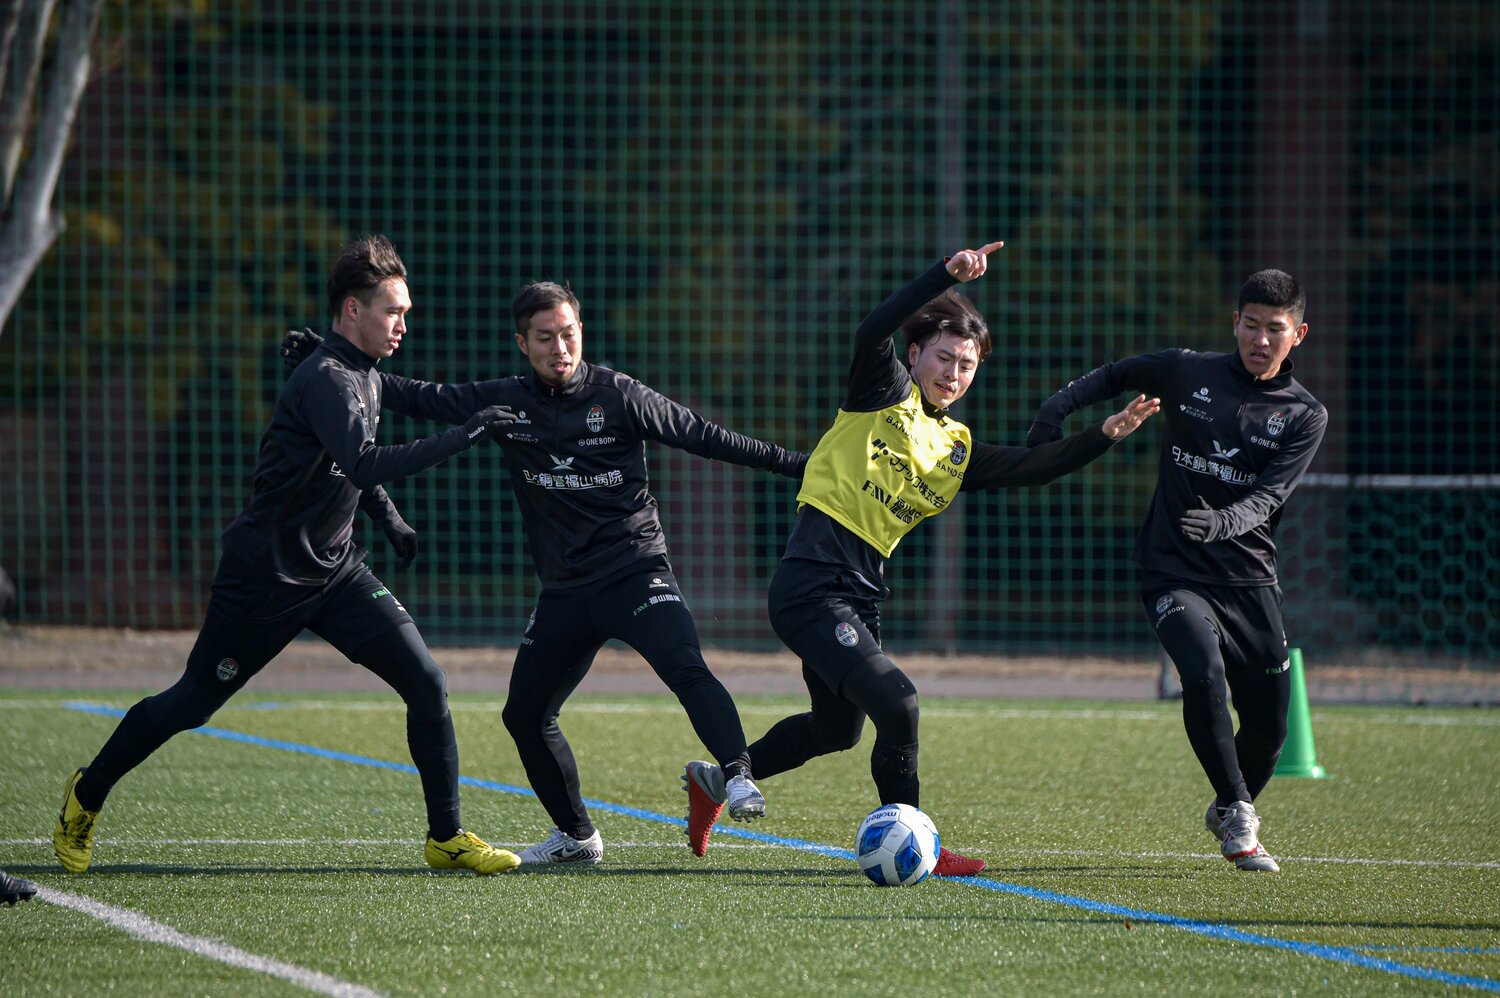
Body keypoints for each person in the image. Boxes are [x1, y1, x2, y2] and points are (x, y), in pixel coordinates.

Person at [281, 281, 806, 865]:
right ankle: (577, 838)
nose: (561, 348)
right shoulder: (508, 402)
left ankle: (736, 776)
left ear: (582, 333)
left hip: (635, 572)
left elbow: (706, 437)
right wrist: (332, 359)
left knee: (685, 664)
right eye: (546, 337)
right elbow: (418, 395)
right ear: (523, 344)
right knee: (524, 716)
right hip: (566, 593)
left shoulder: (620, 395)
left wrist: (797, 465)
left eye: (569, 334)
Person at [54, 235, 522, 877]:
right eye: (393, 311)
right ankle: (87, 792)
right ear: (351, 310)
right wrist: (470, 435)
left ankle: (446, 837)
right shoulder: (328, 378)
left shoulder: (361, 372)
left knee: (427, 682)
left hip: (336, 571)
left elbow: (418, 411)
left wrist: (389, 518)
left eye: (406, 312)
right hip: (264, 581)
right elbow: (363, 459)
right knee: (191, 703)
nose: (402, 324)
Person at [710, 242, 1160, 875]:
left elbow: (1031, 468)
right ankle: (919, 838)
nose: (953, 373)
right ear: (916, 354)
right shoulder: (881, 391)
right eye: (944, 357)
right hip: (810, 588)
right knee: (901, 703)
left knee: (837, 731)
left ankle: (720, 782)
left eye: (967, 365)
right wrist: (942, 277)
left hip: (860, 598)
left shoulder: (955, 445)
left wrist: (1102, 436)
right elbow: (871, 330)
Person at [1026, 269, 1326, 873]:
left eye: (1275, 329)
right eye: (1250, 325)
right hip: (1173, 571)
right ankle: (1241, 815)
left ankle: (1227, 800)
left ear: (1298, 334)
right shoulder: (1189, 370)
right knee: (1203, 669)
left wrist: (1225, 522)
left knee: (1270, 731)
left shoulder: (1304, 415)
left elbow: (1270, 496)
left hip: (1250, 582)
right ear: (1233, 323)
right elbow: (1112, 377)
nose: (1260, 339)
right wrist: (1054, 412)